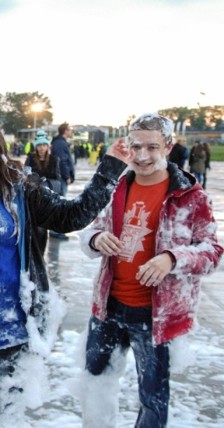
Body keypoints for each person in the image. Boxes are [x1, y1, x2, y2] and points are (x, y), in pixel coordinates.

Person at [0, 112, 130, 427]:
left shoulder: (20, 188)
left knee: (2, 421)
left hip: (7, 333)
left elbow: (71, 216)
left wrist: (109, 170)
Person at [77, 113, 223, 427]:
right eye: (136, 147)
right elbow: (90, 231)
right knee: (96, 387)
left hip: (157, 315)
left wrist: (172, 258)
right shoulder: (115, 188)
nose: (142, 156)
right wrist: (97, 238)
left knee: (153, 397)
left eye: (152, 147)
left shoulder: (191, 196)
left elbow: (212, 251)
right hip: (107, 308)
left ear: (168, 147)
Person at [24, 131, 62, 255]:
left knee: (42, 227)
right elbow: (25, 175)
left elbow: (57, 178)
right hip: (32, 196)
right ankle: (31, 254)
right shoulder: (30, 158)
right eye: (39, 145)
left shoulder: (54, 159)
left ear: (47, 147)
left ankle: (40, 254)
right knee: (32, 226)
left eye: (44, 145)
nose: (41, 148)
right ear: (36, 147)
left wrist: (45, 184)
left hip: (46, 197)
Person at [49, 122, 75, 240]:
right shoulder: (60, 143)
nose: (71, 131)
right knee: (59, 204)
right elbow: (62, 161)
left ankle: (55, 229)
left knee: (58, 203)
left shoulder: (60, 142)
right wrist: (67, 176)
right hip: (61, 178)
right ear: (65, 130)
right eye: (70, 129)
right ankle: (56, 230)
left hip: (61, 177)